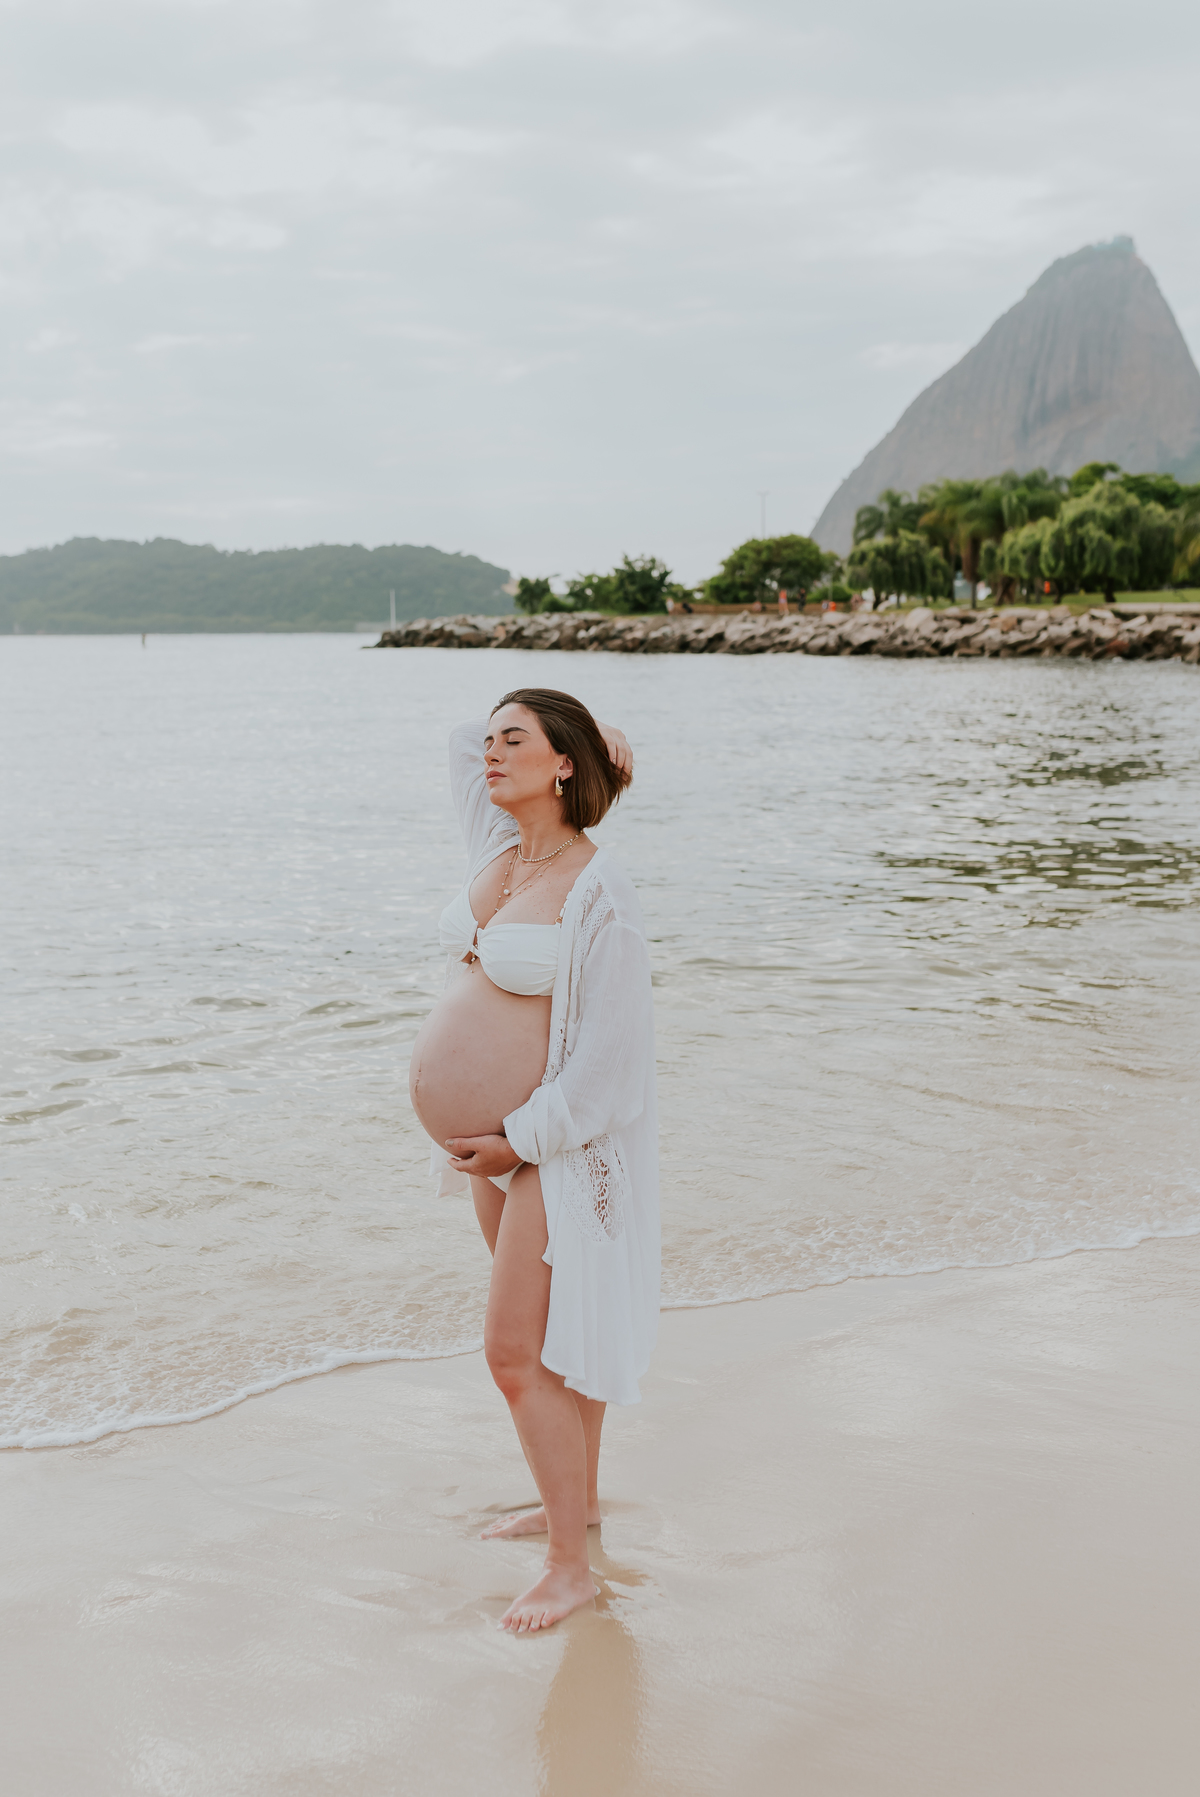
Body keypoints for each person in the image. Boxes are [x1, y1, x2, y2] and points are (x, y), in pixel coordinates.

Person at [409, 689, 660, 1633]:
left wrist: (521, 1139)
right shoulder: (499, 855)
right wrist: (593, 735)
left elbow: (612, 1067)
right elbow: (452, 733)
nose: (489, 753)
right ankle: (578, 1507)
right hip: (498, 1161)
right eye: (492, 741)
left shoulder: (603, 894)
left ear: (562, 765)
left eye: (514, 741)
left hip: (557, 1150)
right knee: (562, 1346)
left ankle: (569, 1566)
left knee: (516, 1353)